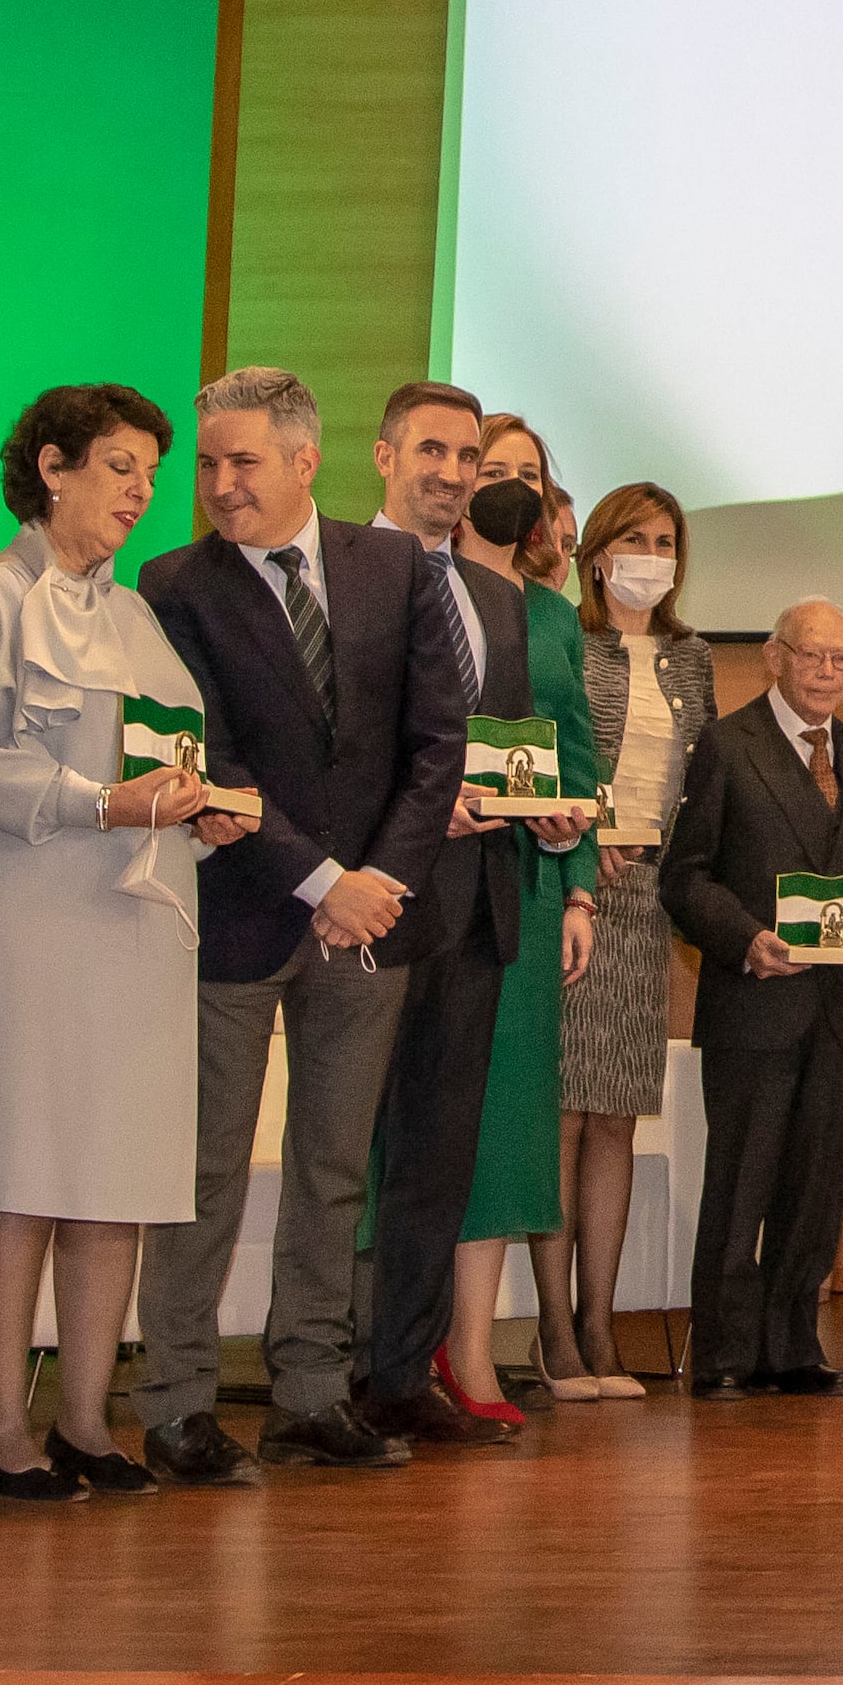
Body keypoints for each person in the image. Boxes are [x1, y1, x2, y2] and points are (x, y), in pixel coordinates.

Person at [132, 366, 471, 1480]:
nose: (220, 485)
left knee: (330, 1166)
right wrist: (321, 880)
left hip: (371, 920)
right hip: (238, 910)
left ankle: (311, 1394)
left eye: (242, 463)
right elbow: (209, 758)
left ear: (301, 460)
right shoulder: (172, 583)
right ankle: (177, 1400)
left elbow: (436, 745)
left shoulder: (392, 569)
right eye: (209, 464)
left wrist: (375, 881)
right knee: (205, 1170)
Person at [0, 384, 233, 1502]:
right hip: (24, 908)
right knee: (21, 1168)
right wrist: (110, 804)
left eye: (151, 474)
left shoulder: (139, 617)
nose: (141, 492)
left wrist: (204, 803)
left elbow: (170, 750)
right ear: (51, 468)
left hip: (136, 919)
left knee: (113, 1177)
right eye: (118, 467)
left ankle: (89, 1423)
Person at [349, 378, 547, 1447]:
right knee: (346, 1153)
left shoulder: (498, 596)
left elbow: (502, 743)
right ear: (384, 457)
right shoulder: (338, 573)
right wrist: (423, 816)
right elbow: (335, 749)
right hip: (374, 905)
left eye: (466, 457)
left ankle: (396, 1380)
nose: (451, 474)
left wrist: (543, 815)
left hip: (476, 910)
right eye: (430, 450)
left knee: (436, 1158)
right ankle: (320, 1372)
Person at [663, 599, 843, 1397]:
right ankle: (727, 1353)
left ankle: (793, 1345)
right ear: (774, 656)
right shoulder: (727, 745)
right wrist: (745, 940)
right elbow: (684, 876)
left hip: (839, 1009)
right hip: (753, 1004)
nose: (828, 674)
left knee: (813, 1187)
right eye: (813, 657)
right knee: (742, 1184)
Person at [440, 423, 605, 1413]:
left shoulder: (553, 617)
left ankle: (468, 1350)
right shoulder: (415, 588)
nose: (503, 491)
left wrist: (577, 876)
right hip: (428, 877)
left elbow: (575, 760)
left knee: (506, 1119)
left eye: (523, 478)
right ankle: (399, 1341)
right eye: (487, 471)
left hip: (531, 890)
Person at [549, 480, 707, 1400]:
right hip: (577, 888)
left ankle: (604, 1323)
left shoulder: (690, 659)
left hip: (649, 903)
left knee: (615, 1116)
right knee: (563, 1115)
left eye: (668, 539)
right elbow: (559, 749)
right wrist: (586, 835)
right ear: (598, 548)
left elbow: (706, 781)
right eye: (637, 537)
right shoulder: (567, 637)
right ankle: (557, 1333)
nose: (653, 554)